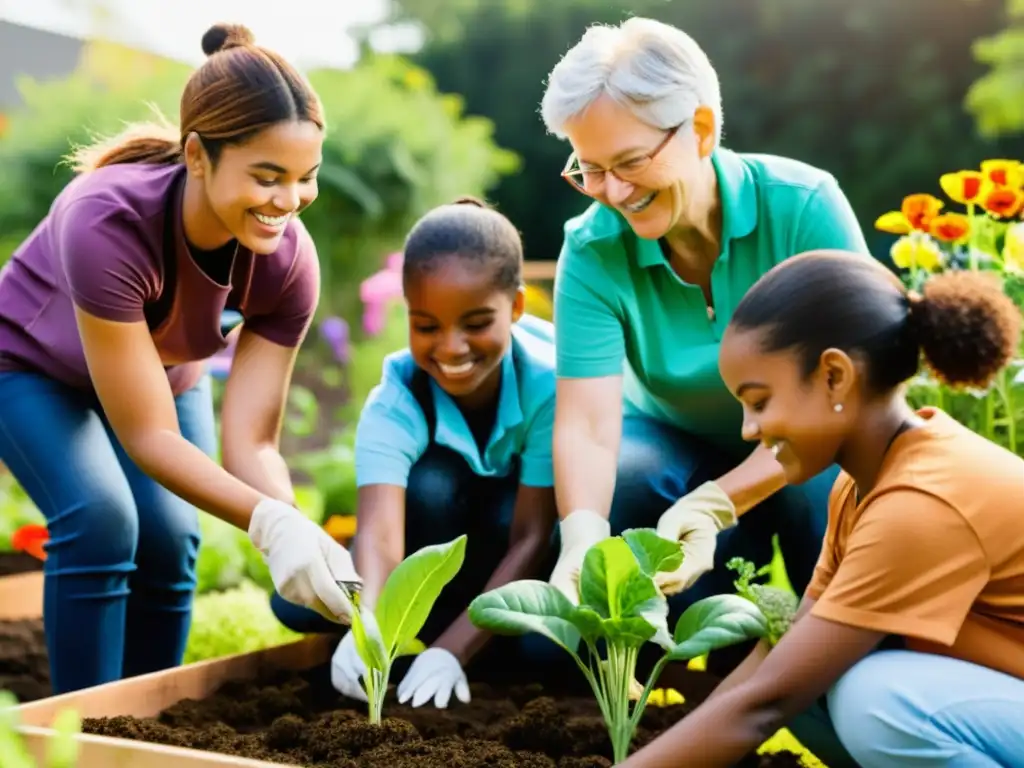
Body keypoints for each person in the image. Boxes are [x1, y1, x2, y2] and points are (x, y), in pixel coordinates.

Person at [0, 23, 360, 695]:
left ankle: (148, 726)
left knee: (171, 537)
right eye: (267, 176)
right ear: (198, 155)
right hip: (30, 369)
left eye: (306, 178)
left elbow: (252, 439)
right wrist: (265, 520)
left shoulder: (288, 264)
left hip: (162, 376)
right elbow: (150, 435)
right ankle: (80, 731)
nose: (288, 203)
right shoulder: (105, 221)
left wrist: (291, 529)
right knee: (101, 519)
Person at [538, 16, 871, 672]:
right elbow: (589, 425)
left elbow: (854, 394)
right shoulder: (592, 248)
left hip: (808, 445)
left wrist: (722, 501)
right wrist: (580, 539)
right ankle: (705, 668)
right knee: (628, 478)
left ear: (701, 131)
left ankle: (836, 659)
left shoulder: (803, 207)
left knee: (830, 487)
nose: (613, 193)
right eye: (590, 169)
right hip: (676, 443)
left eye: (631, 162)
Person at [619, 249, 1024, 767]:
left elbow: (765, 704)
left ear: (834, 376)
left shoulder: (921, 503)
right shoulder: (862, 485)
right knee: (814, 684)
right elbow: (781, 662)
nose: (748, 430)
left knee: (877, 700)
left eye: (760, 401)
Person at [270, 198, 561, 709]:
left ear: (515, 307)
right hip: (434, 554)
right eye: (427, 326)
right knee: (298, 604)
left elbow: (533, 535)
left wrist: (454, 649)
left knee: (544, 652)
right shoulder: (397, 395)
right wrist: (370, 630)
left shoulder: (548, 383)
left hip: (518, 554)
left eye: (475, 323)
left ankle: (482, 647)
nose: (451, 348)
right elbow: (380, 536)